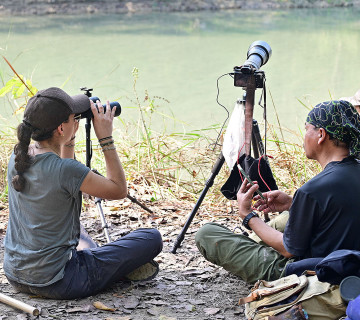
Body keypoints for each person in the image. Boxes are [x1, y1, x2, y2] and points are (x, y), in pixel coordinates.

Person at [3, 87, 162, 299]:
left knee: (80, 231)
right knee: (151, 238)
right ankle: (115, 270)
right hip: (61, 281)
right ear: (60, 127)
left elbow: (62, 174)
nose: (77, 120)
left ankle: (107, 264)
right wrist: (106, 138)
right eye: (73, 118)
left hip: (16, 276)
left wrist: (67, 139)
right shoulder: (65, 171)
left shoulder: (18, 158)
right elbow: (118, 189)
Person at [195, 100, 360, 283]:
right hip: (352, 263)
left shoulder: (313, 190)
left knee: (206, 233)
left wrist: (248, 216)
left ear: (321, 134)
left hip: (313, 274)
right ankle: (252, 242)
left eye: (307, 129)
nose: (304, 136)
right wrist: (293, 204)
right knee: (286, 218)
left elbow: (288, 250)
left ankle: (251, 248)